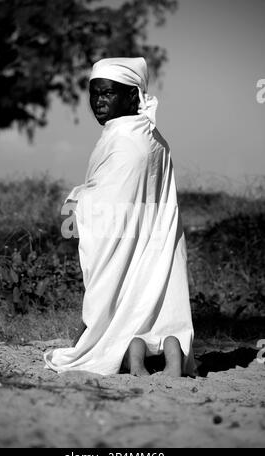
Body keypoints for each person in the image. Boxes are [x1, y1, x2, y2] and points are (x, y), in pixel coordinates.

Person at [44, 57, 196, 377]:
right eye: (94, 93)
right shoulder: (152, 138)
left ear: (132, 97)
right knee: (165, 311)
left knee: (122, 316)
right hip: (159, 247)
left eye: (108, 93)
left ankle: (132, 361)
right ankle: (172, 365)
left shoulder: (126, 141)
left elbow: (111, 208)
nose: (98, 101)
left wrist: (76, 200)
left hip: (130, 247)